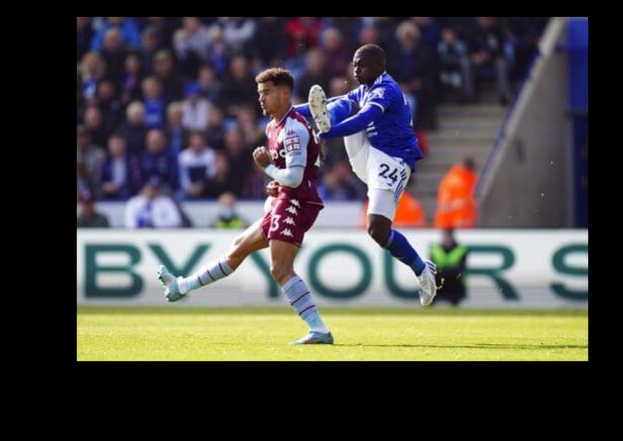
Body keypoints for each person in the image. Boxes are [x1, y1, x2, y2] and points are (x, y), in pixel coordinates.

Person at [157, 68, 333, 345]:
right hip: (285, 199)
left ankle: (318, 329)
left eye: (267, 93)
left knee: (280, 269)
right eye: (259, 94)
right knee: (238, 248)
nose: (261, 99)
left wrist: (269, 170)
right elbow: (292, 172)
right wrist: (276, 180)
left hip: (298, 202)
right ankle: (181, 286)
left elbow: (295, 177)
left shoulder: (294, 128)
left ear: (285, 93)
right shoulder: (273, 126)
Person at [295, 44, 440, 305]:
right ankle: (325, 122)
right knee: (340, 103)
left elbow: (363, 120)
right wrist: (290, 112)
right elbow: (327, 102)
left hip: (393, 160)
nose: (355, 69)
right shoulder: (364, 89)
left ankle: (422, 269)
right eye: (353, 63)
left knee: (377, 230)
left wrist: (326, 134)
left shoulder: (387, 89)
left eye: (361, 64)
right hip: (370, 155)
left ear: (380, 67)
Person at [430, 228, 467, 306]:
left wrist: (442, 271)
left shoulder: (461, 250)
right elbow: (431, 268)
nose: (445, 239)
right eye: (444, 236)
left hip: (453, 282)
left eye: (447, 236)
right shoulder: (435, 250)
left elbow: (460, 269)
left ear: (452, 237)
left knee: (457, 278)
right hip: (439, 280)